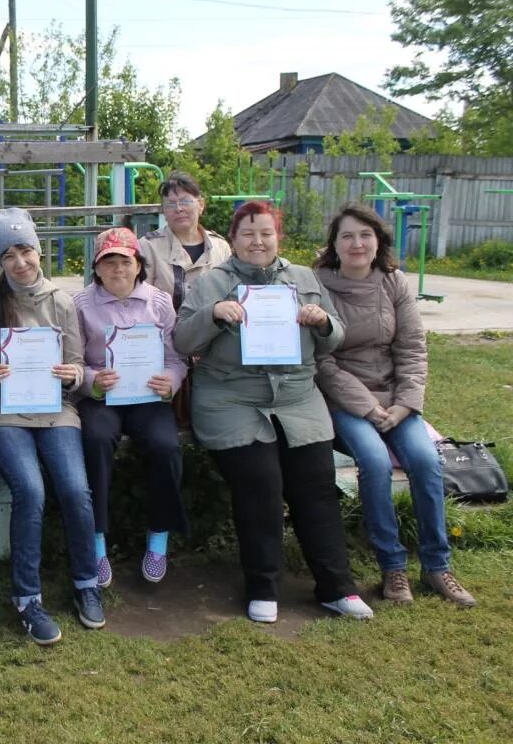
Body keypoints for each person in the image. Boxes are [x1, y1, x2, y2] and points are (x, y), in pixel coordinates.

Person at [174, 200, 374, 624]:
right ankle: (263, 585)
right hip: (232, 400)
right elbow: (182, 341)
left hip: (297, 399)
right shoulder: (212, 283)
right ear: (233, 240)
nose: (257, 241)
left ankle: (337, 587)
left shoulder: (303, 278)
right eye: (247, 234)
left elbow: (334, 338)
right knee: (261, 483)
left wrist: (322, 322)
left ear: (277, 236)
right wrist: (212, 315)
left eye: (265, 232)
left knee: (316, 484)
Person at [314, 203, 475, 607]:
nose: (357, 243)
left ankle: (438, 566)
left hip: (396, 400)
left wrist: (406, 402)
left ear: (378, 241)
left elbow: (412, 347)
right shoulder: (318, 286)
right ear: (334, 243)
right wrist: (367, 407)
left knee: (425, 461)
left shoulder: (394, 282)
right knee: (375, 462)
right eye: (347, 236)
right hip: (346, 400)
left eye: (365, 235)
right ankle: (393, 567)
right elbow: (322, 362)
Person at [0, 207, 104, 646]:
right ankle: (27, 598)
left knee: (75, 489)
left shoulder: (62, 301)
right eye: (8, 255)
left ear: (38, 251)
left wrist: (73, 376)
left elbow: (79, 366)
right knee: (31, 489)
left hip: (55, 409)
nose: (20, 262)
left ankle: (86, 582)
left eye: (25, 250)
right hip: (2, 414)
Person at [74, 227, 188, 588]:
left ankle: (158, 538)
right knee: (95, 441)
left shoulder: (158, 301)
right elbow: (72, 359)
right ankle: (96, 541)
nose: (117, 269)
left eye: (125, 261)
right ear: (97, 268)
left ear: (138, 265)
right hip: (102, 397)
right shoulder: (80, 304)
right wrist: (92, 378)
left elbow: (176, 357)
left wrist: (172, 379)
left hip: (147, 395)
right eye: (108, 262)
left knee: (166, 446)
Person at [138, 170, 232, 309]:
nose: (178, 209)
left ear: (201, 205)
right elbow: (140, 301)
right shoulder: (148, 246)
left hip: (212, 328)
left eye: (185, 201)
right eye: (170, 204)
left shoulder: (220, 246)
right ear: (163, 211)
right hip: (165, 328)